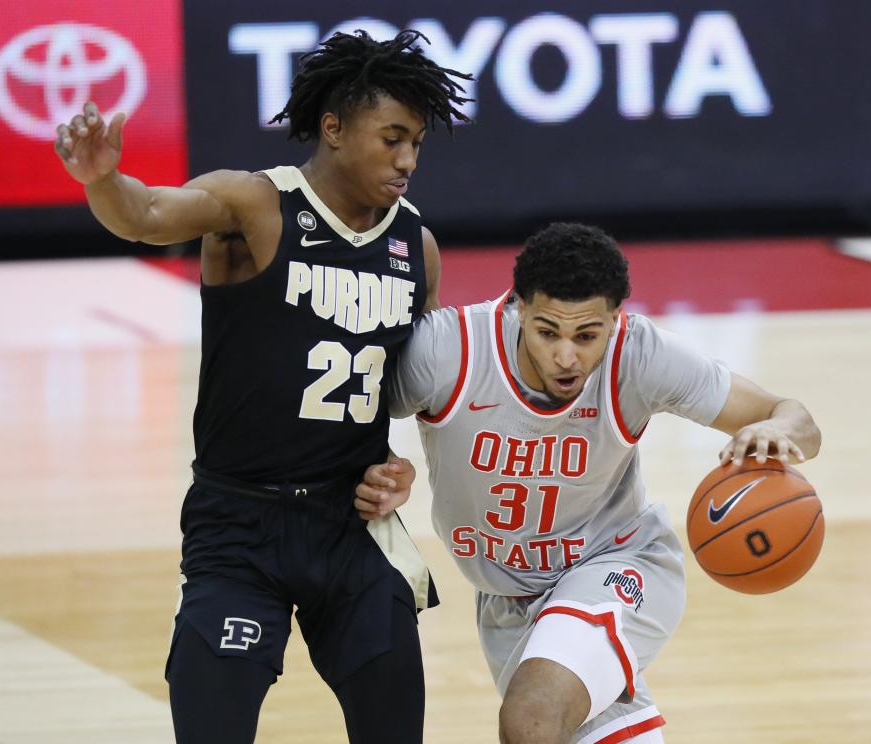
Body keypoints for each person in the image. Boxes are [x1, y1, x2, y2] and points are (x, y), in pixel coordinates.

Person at [53, 30, 471, 744]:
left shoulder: (415, 247)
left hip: (352, 530)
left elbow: (409, 389)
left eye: (418, 143)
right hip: (239, 526)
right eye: (392, 137)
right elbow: (146, 214)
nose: (407, 160)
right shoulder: (253, 205)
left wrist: (399, 472)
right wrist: (101, 180)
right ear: (334, 129)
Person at [357, 222, 822, 744]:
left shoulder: (639, 355)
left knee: (532, 717)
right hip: (507, 599)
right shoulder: (449, 351)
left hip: (617, 567)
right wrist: (385, 463)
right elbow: (345, 419)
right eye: (547, 331)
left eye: (586, 336)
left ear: (615, 319)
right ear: (518, 307)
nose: (566, 356)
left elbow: (794, 416)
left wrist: (777, 429)